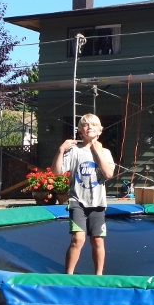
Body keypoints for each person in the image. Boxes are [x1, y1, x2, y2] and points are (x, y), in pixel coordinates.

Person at [52, 114, 116, 275]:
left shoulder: (106, 152)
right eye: (86, 125)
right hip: (77, 201)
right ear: (80, 131)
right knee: (78, 239)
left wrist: (98, 152)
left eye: (93, 125)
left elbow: (108, 174)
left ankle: (99, 275)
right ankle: (68, 275)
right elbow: (56, 171)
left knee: (97, 240)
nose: (89, 127)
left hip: (98, 203)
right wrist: (61, 150)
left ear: (100, 130)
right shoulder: (74, 151)